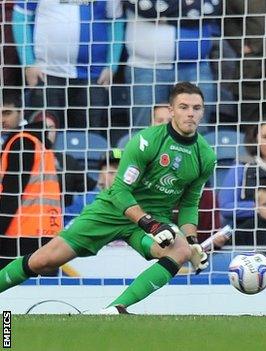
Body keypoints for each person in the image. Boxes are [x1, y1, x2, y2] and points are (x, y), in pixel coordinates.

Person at [0, 82, 217, 314]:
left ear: (203, 111)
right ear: (171, 110)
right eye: (184, 107)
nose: (190, 113)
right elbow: (120, 190)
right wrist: (150, 223)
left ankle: (114, 309)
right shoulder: (146, 141)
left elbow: (189, 204)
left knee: (181, 250)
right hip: (113, 211)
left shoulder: (205, 156)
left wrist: (193, 241)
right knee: (44, 260)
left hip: (151, 222)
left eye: (196, 108)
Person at [12, 0, 124, 131]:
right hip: (47, 73)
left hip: (94, 75)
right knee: (45, 134)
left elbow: (116, 22)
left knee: (91, 136)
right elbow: (21, 16)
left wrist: (112, 64)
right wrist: (28, 63)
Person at [124, 0, 219, 128]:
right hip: (145, 66)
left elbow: (210, 9)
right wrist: (187, 10)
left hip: (195, 66)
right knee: (145, 130)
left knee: (197, 128)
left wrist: (164, 15)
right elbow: (145, 8)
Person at [0, 106, 63, 268]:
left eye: (6, 113)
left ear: (21, 112)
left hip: (18, 236)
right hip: (48, 233)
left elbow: (12, 194)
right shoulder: (39, 143)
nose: (2, 119)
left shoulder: (22, 142)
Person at [64, 149, 122, 226]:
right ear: (100, 176)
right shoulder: (85, 202)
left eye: (121, 171)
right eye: (111, 172)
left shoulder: (135, 199)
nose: (117, 176)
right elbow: (65, 224)